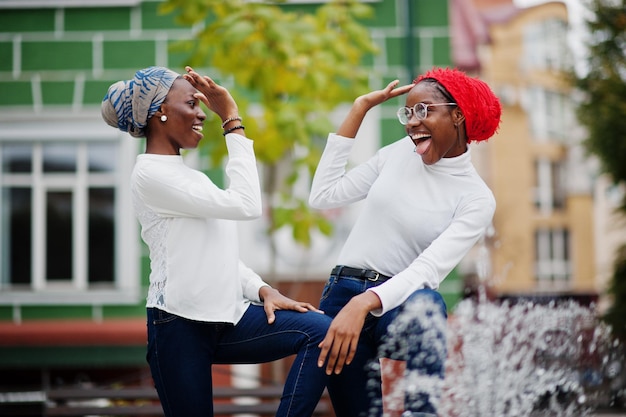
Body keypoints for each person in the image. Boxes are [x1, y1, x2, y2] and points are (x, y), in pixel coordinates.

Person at [101, 66, 332, 417]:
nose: (200, 114)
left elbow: (213, 251)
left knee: (319, 331)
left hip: (228, 317)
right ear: (159, 112)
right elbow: (248, 205)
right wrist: (232, 119)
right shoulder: (149, 174)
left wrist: (262, 290)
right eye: (191, 104)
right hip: (177, 327)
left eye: (201, 106)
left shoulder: (188, 176)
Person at [310, 67, 502, 417]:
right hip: (341, 297)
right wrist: (359, 109)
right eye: (408, 112)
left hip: (395, 307)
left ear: (457, 114)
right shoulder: (398, 152)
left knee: (429, 307)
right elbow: (324, 195)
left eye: (424, 110)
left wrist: (365, 303)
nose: (412, 122)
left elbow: (428, 269)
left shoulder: (476, 198)